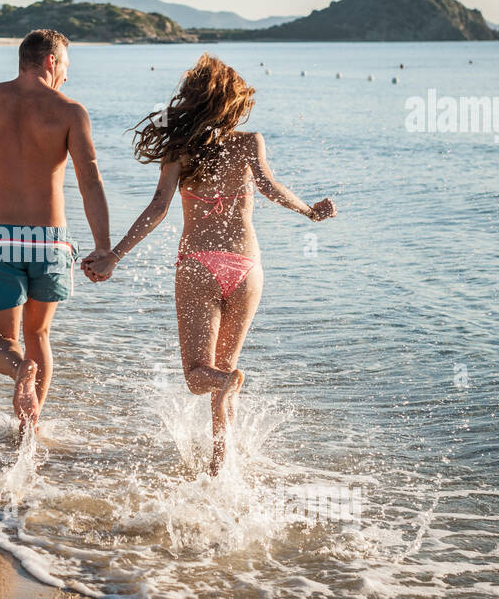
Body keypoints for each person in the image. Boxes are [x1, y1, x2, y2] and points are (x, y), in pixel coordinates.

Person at [83, 54, 334, 475]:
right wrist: (310, 211)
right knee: (225, 370)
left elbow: (158, 208)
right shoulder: (250, 142)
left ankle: (223, 392)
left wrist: (115, 255)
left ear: (194, 100)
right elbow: (271, 188)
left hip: (199, 263)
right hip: (247, 266)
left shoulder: (178, 150)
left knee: (200, 375)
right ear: (231, 105)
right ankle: (221, 462)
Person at [0, 29, 111, 433]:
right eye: (66, 65)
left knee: (1, 342)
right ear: (51, 62)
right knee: (39, 333)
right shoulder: (70, 112)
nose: (67, 75)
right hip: (51, 243)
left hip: (1, 241)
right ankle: (28, 433)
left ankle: (19, 372)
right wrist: (104, 246)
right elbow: (90, 182)